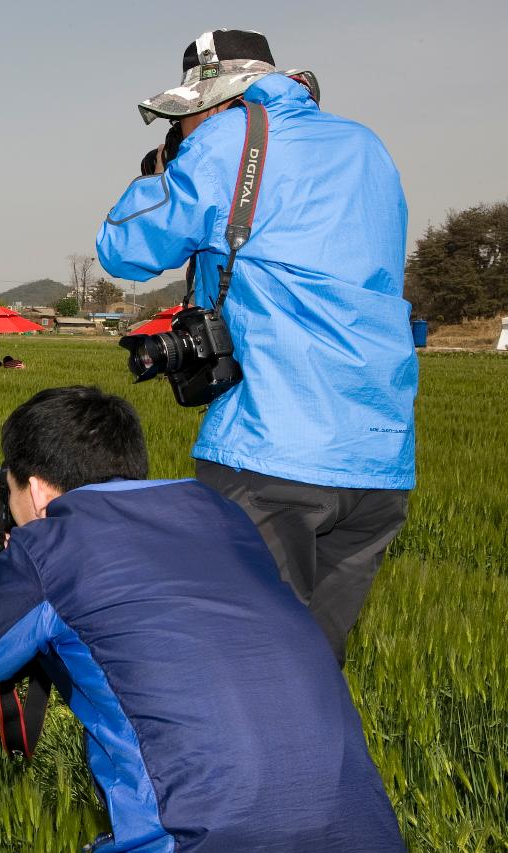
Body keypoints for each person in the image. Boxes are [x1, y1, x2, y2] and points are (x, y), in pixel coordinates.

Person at [0, 386, 403, 852]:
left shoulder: (51, 548)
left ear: (38, 491)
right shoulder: (222, 515)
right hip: (363, 830)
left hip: (202, 837)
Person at [95, 29, 416, 665]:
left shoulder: (223, 140)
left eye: (185, 113)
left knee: (244, 670)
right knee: (312, 671)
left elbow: (124, 250)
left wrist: (166, 168)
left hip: (272, 449)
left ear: (209, 99)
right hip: (378, 458)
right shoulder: (364, 145)